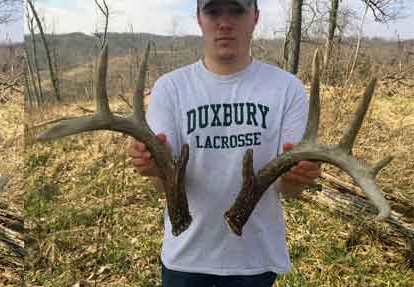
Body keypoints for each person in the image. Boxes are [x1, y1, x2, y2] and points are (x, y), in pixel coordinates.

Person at [127, 0, 322, 286]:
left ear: (255, 17)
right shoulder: (170, 88)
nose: (224, 22)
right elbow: (161, 186)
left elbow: (289, 190)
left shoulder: (287, 89)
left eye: (237, 10)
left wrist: (299, 176)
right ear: (198, 18)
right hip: (185, 257)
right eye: (213, 11)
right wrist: (155, 167)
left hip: (255, 259)